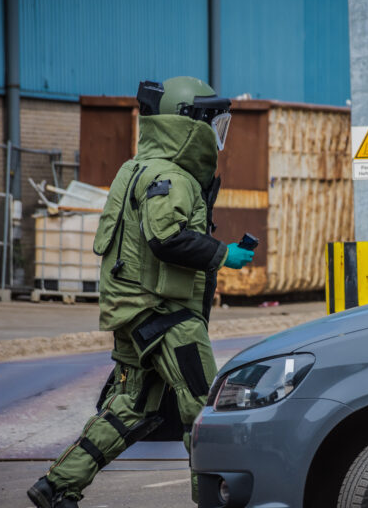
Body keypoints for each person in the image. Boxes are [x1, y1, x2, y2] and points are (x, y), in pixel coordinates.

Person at [27, 76, 254, 508]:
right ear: (188, 125)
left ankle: (56, 486)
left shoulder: (135, 168)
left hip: (134, 313)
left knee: (131, 407)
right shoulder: (171, 176)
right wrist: (223, 254)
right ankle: (217, 500)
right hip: (165, 315)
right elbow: (165, 238)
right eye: (212, 122)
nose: (215, 134)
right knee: (203, 412)